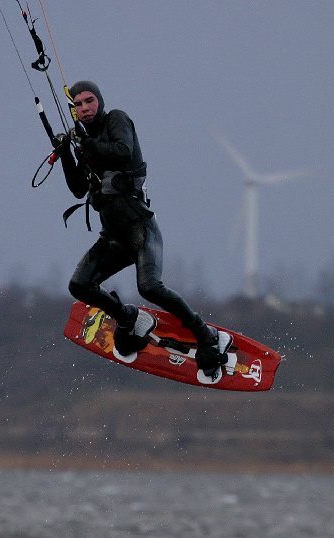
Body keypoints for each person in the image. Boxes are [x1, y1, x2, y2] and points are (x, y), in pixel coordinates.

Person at [56, 80, 231, 377]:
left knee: (149, 287)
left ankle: (207, 337)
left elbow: (123, 152)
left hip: (141, 231)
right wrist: (65, 154)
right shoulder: (87, 142)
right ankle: (127, 318)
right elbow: (77, 189)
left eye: (89, 101)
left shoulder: (116, 120)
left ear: (99, 100)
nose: (84, 108)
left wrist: (86, 145)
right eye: (78, 105)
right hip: (114, 237)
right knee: (79, 286)